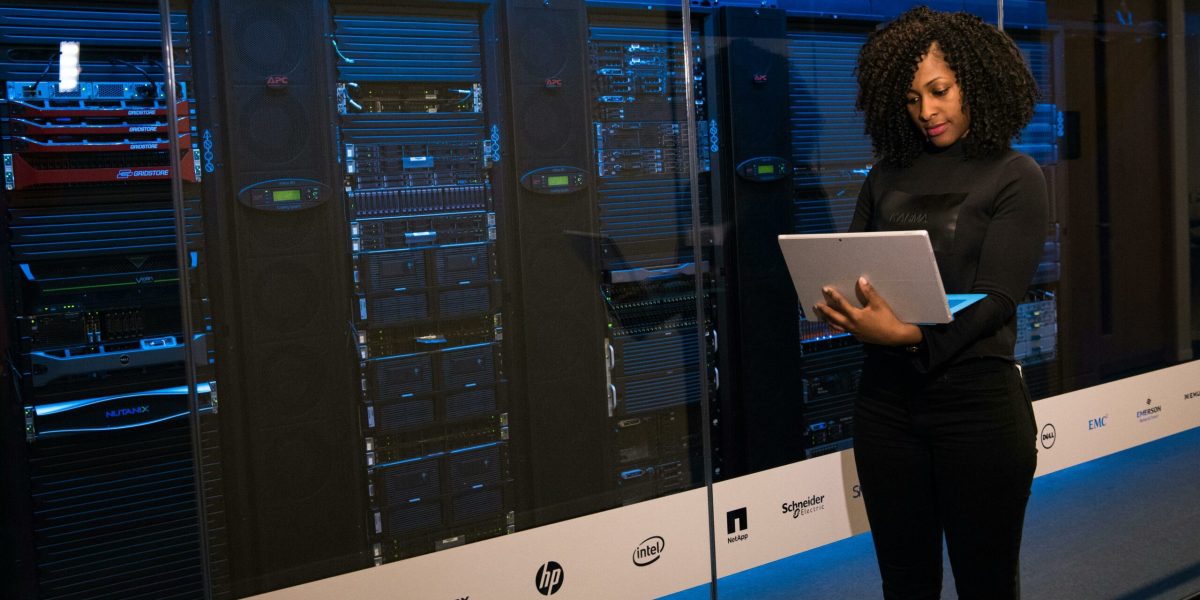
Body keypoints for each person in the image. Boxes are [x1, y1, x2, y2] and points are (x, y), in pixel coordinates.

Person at [813, 7, 1047, 600]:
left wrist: (909, 336)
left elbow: (998, 298)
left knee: (986, 585)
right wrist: (837, 302)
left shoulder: (1014, 174)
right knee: (905, 585)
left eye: (939, 91)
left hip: (979, 410)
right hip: (887, 408)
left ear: (977, 82)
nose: (927, 111)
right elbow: (852, 270)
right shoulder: (884, 175)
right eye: (913, 97)